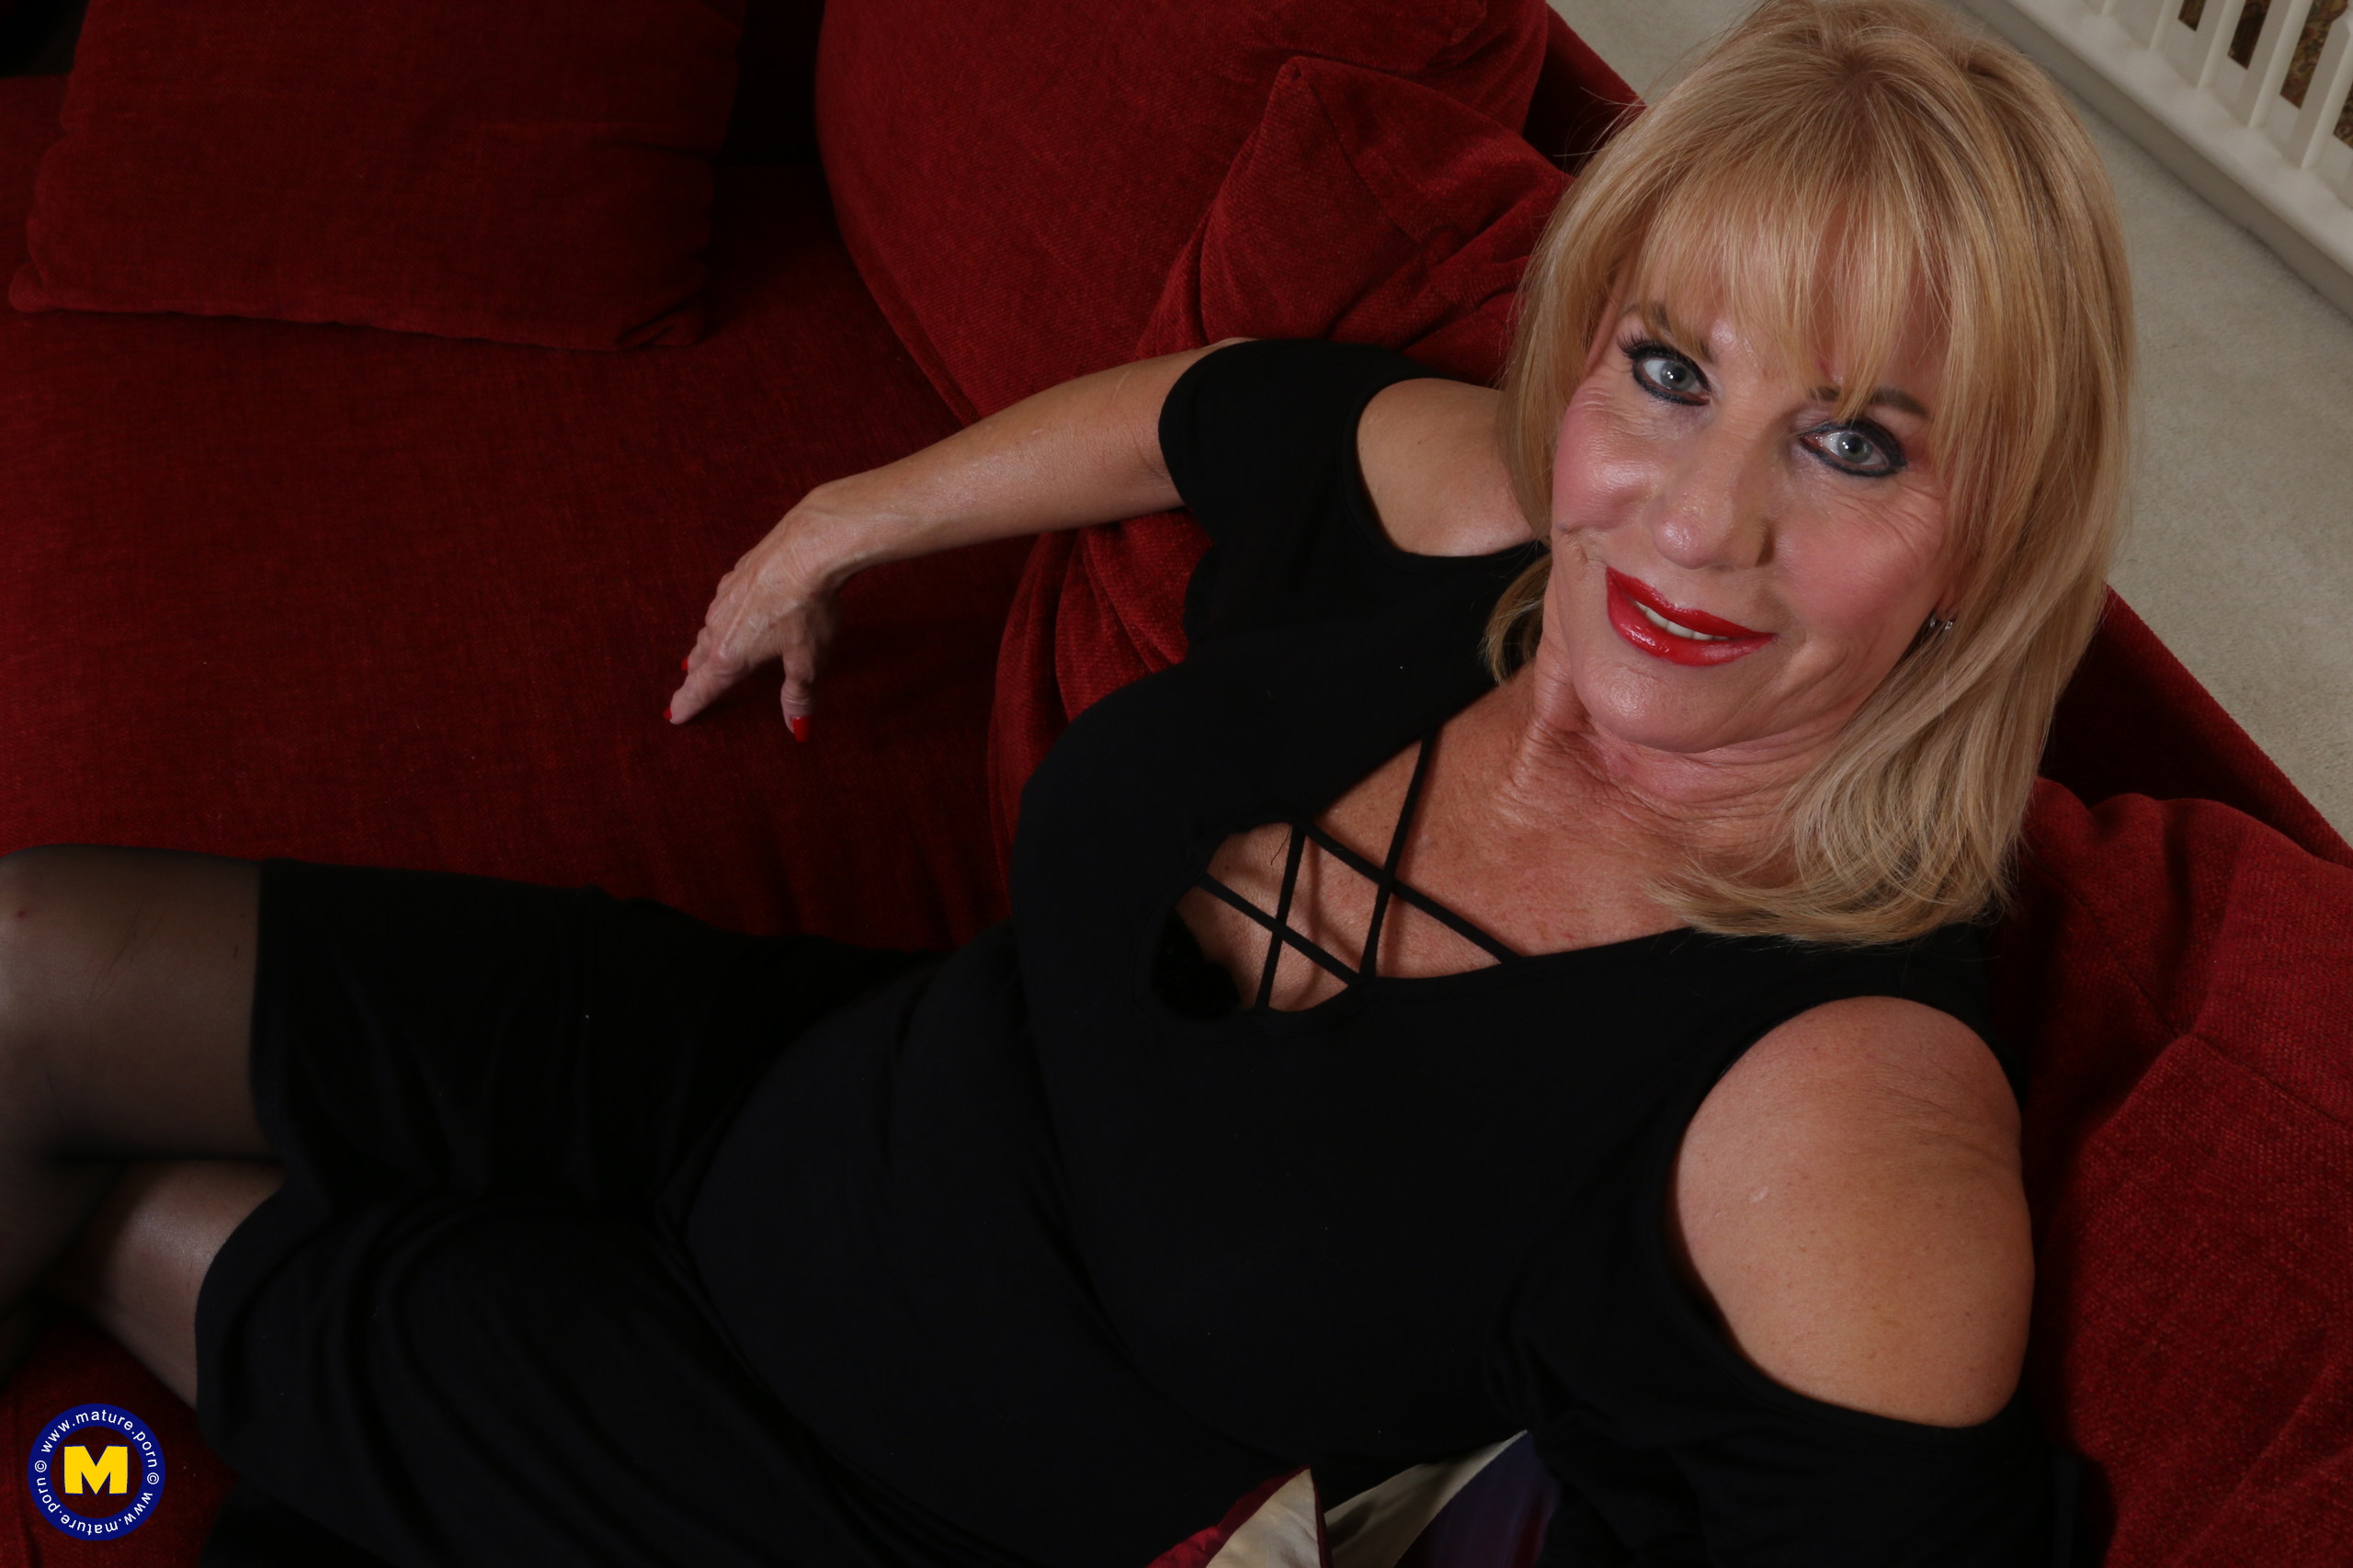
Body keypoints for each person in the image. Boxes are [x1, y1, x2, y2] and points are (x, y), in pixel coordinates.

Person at [0, 0, 2129, 1562]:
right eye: (1665, 370)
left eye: (1852, 443)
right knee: (20, 960)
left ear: (1994, 535)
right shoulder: (1492, 522)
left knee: (122, 1208)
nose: (1692, 517)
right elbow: (1213, 409)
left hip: (801, 1477)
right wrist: (848, 517)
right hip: (779, 1068)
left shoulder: (1839, 1115)